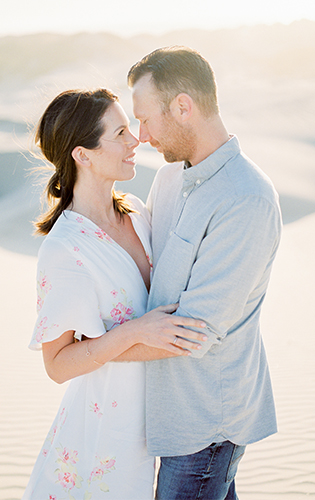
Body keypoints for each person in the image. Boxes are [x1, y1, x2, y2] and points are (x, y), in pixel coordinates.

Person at [22, 88, 208, 500]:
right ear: (82, 155)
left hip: (168, 422)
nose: (135, 140)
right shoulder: (65, 247)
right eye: (120, 132)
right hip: (106, 435)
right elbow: (57, 365)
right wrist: (135, 332)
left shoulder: (139, 214)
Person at [122, 46, 282, 500]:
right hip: (169, 418)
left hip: (208, 427)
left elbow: (192, 333)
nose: (142, 135)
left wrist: (93, 351)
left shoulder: (246, 198)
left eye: (146, 119)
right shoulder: (168, 179)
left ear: (183, 107)